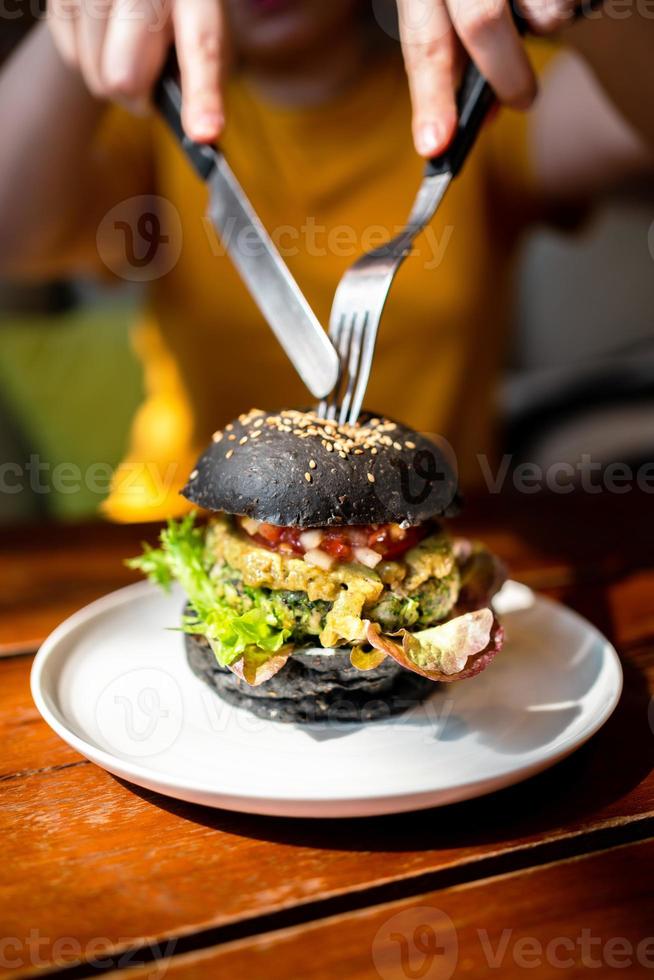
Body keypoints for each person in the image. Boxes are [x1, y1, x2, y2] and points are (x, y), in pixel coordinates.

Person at [0, 0, 651, 521]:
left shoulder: (481, 98)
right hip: (173, 528)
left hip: (435, 529)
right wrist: (73, 29)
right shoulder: (149, 121)